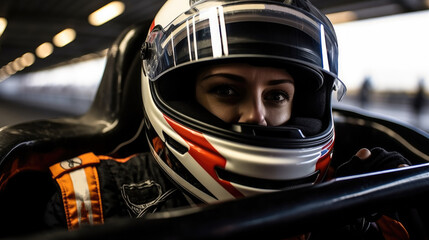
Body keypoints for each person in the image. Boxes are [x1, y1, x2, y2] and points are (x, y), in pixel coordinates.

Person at [43, 0, 413, 239]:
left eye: (277, 95)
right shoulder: (91, 202)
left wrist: (353, 216)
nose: (257, 115)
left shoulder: (342, 202)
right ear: (180, 95)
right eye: (227, 91)